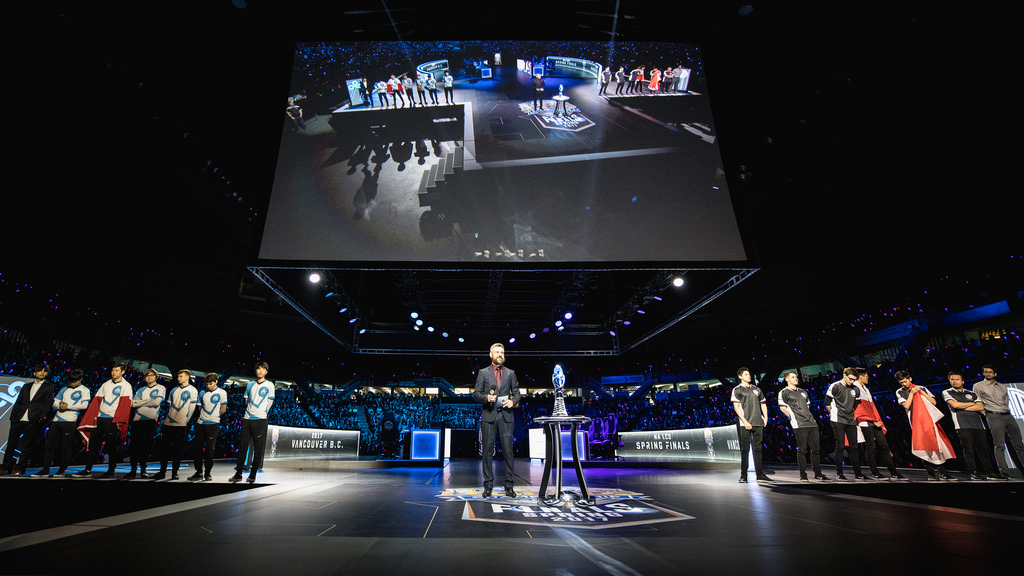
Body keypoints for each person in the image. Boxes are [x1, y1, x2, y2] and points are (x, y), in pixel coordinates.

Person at [473, 343, 521, 498]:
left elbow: (517, 393)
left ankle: (509, 486)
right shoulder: (483, 373)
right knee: (487, 452)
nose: (500, 354)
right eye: (497, 352)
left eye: (502, 352)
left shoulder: (510, 373)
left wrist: (513, 401)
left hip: (506, 416)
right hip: (489, 415)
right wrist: (486, 398)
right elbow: (476, 394)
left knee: (508, 452)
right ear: (491, 354)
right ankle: (488, 486)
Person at [895, 371, 956, 481]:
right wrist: (912, 393)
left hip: (930, 420)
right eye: (901, 382)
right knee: (924, 447)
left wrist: (921, 392)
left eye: (905, 381)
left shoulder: (922, 388)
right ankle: (931, 473)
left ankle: (943, 472)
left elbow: (934, 402)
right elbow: (906, 405)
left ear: (910, 379)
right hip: (916, 422)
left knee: (938, 445)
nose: (904, 384)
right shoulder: (900, 391)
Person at [75, 363, 133, 478]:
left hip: (112, 419)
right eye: (113, 370)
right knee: (93, 444)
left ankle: (111, 470)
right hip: (100, 418)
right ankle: (88, 469)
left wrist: (119, 420)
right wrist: (94, 416)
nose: (113, 372)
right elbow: (97, 401)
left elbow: (125, 405)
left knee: (111, 446)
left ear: (122, 372)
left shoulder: (126, 386)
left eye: (116, 370)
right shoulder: (106, 384)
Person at [943, 371, 1002, 480]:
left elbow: (981, 407)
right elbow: (955, 405)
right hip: (962, 425)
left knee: (983, 450)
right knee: (968, 450)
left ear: (962, 381)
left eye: (957, 379)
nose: (955, 381)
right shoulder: (947, 392)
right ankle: (973, 472)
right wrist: (971, 404)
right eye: (952, 379)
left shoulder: (972, 393)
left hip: (978, 425)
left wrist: (962, 406)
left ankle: (990, 472)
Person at [1, 363, 54, 476]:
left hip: (33, 419)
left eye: (44, 371)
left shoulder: (49, 386)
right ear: (34, 373)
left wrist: (40, 417)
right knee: (11, 443)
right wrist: (13, 416)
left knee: (26, 445)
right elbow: (19, 401)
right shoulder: (26, 386)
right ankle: (5, 467)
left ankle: (20, 468)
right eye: (40, 370)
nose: (42, 373)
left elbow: (47, 403)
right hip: (18, 418)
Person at [972, 365, 1024, 479]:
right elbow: (977, 402)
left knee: (1019, 444)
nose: (987, 373)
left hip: (1008, 415)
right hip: (994, 415)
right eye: (985, 372)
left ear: (995, 374)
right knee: (999, 445)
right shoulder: (978, 386)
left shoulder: (1002, 386)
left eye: (990, 372)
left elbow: (1006, 401)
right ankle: (1004, 472)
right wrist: (987, 414)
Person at [853, 368, 904, 480]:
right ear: (861, 376)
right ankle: (875, 472)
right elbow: (858, 409)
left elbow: (870, 407)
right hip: (864, 421)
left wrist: (875, 419)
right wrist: (872, 420)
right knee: (871, 446)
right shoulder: (855, 389)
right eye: (866, 376)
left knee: (884, 445)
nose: (868, 378)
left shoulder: (865, 389)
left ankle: (893, 472)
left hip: (874, 420)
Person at [38, 368, 90, 477]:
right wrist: (59, 406)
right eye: (71, 380)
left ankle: (62, 469)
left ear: (80, 379)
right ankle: (45, 469)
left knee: (65, 446)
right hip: (57, 419)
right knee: (50, 445)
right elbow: (54, 402)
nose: (72, 383)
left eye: (75, 380)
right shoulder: (64, 389)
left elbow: (84, 405)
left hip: (70, 421)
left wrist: (68, 406)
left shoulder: (84, 390)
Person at [777, 371, 828, 481]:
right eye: (793, 377)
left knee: (816, 449)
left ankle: (818, 474)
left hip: (811, 422)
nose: (796, 378)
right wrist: (793, 417)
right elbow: (782, 408)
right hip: (799, 424)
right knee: (802, 450)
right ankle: (803, 475)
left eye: (796, 377)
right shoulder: (784, 392)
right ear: (787, 379)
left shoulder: (803, 391)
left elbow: (807, 406)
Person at [231, 362, 275, 484]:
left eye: (263, 369)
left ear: (266, 371)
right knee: (242, 447)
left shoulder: (270, 385)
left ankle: (253, 474)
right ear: (255, 371)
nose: (260, 371)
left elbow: (270, 402)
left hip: (260, 419)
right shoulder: (250, 385)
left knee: (258, 448)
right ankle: (238, 474)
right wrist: (251, 411)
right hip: (247, 418)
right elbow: (247, 400)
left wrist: (262, 413)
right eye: (258, 369)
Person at [153, 369, 199, 480]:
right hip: (168, 422)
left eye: (181, 376)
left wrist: (185, 421)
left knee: (177, 450)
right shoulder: (174, 390)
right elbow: (170, 406)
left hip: (181, 424)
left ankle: (175, 472)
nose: (178, 378)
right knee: (165, 449)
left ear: (187, 377)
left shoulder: (193, 390)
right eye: (178, 376)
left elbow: (192, 407)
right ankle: (162, 472)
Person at [731, 367, 772, 483]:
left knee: (758, 449)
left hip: (758, 422)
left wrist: (766, 417)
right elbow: (736, 407)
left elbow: (763, 403)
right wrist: (744, 421)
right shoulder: (737, 389)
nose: (748, 376)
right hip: (745, 424)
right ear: (740, 377)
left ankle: (760, 475)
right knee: (745, 449)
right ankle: (743, 475)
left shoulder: (756, 389)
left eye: (749, 374)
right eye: (745, 374)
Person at [124, 368, 165, 479]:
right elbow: (133, 404)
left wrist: (141, 402)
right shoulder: (141, 389)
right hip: (137, 420)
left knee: (145, 446)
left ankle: (143, 470)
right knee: (134, 446)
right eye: (147, 375)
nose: (149, 377)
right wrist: (148, 400)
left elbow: (156, 402)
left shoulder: (160, 388)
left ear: (156, 377)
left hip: (150, 419)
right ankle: (133, 470)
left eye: (152, 375)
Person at [825, 367, 864, 480]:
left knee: (854, 447)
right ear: (844, 376)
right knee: (840, 446)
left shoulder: (855, 389)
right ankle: (839, 473)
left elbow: (856, 403)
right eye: (850, 379)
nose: (852, 381)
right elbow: (827, 402)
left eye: (854, 379)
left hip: (851, 420)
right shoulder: (835, 386)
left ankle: (858, 473)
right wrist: (832, 414)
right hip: (838, 420)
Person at [188, 373, 228, 482]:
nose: (208, 386)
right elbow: (200, 408)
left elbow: (223, 408)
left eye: (210, 383)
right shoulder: (202, 393)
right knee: (198, 449)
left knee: (209, 450)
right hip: (201, 423)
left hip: (213, 423)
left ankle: (208, 473)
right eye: (207, 384)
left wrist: (215, 416)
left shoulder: (222, 393)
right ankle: (198, 472)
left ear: (216, 382)